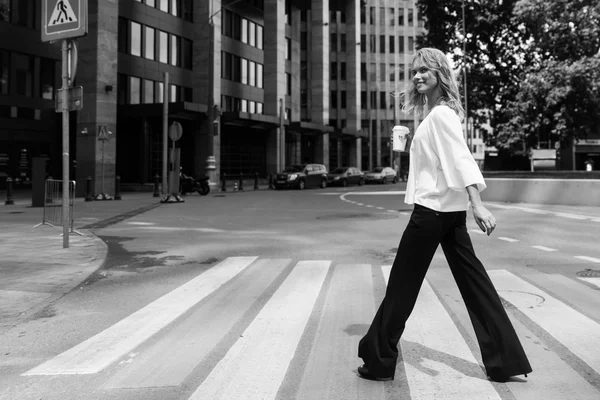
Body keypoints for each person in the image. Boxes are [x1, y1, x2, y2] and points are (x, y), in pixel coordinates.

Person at [357, 48, 532, 383]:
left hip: (432, 213)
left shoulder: (439, 116)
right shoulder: (439, 114)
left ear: (440, 74)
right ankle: (505, 360)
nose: (418, 76)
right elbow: (445, 160)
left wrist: (477, 202)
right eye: (414, 72)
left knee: (401, 286)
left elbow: (460, 158)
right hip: (449, 215)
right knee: (475, 284)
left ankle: (379, 360)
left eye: (425, 70)